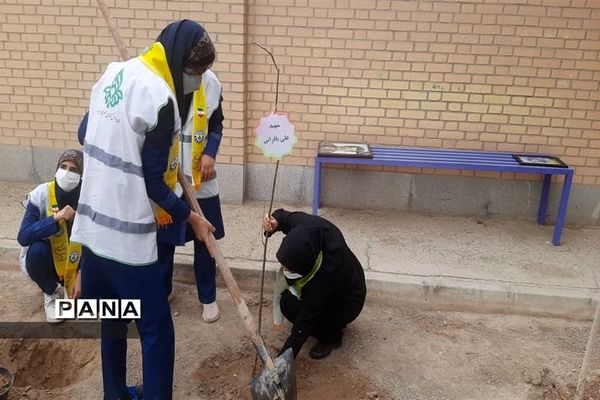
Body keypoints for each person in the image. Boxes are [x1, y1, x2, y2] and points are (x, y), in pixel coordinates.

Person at [71, 20, 216, 400]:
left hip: (92, 230)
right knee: (155, 330)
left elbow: (84, 133)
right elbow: (153, 184)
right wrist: (192, 217)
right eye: (195, 73)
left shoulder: (113, 74)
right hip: (127, 240)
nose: (197, 83)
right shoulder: (161, 98)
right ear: (179, 60)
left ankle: (115, 395)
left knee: (114, 320)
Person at [160, 64, 226, 323]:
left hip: (201, 179)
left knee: (205, 239)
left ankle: (208, 298)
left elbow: (217, 124)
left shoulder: (211, 83)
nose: (199, 71)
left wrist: (210, 152)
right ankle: (163, 290)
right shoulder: (159, 79)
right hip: (167, 178)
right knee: (163, 241)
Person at [263, 209, 367, 360]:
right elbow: (283, 217)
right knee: (286, 301)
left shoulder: (326, 274)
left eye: (290, 268)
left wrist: (281, 362)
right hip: (334, 287)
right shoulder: (304, 226)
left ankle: (332, 337)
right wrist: (272, 223)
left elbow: (305, 321)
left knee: (295, 310)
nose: (285, 270)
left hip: (347, 302)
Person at [17, 149, 84, 323]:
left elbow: (97, 239)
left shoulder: (88, 196)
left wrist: (82, 274)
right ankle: (51, 293)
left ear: (82, 174)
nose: (67, 173)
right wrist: (54, 219)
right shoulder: (42, 193)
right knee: (36, 252)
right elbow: (24, 236)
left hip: (79, 261)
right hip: (51, 258)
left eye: (74, 170)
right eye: (63, 167)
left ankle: (78, 286)